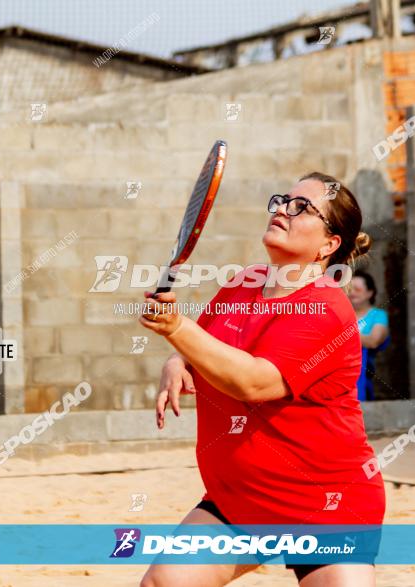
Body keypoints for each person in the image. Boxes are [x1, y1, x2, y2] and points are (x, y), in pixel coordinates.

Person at [139, 172, 385, 586]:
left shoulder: (326, 309)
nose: (282, 211)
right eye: (282, 200)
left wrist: (176, 328)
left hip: (325, 505)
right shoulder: (242, 284)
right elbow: (206, 351)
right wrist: (177, 362)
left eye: (302, 208)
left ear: (329, 245)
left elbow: (253, 382)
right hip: (240, 502)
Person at [348, 270, 389, 402]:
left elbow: (373, 341)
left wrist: (341, 335)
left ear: (370, 293)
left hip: (363, 368)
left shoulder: (378, 315)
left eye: (357, 289)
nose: (352, 292)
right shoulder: (342, 313)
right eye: (349, 288)